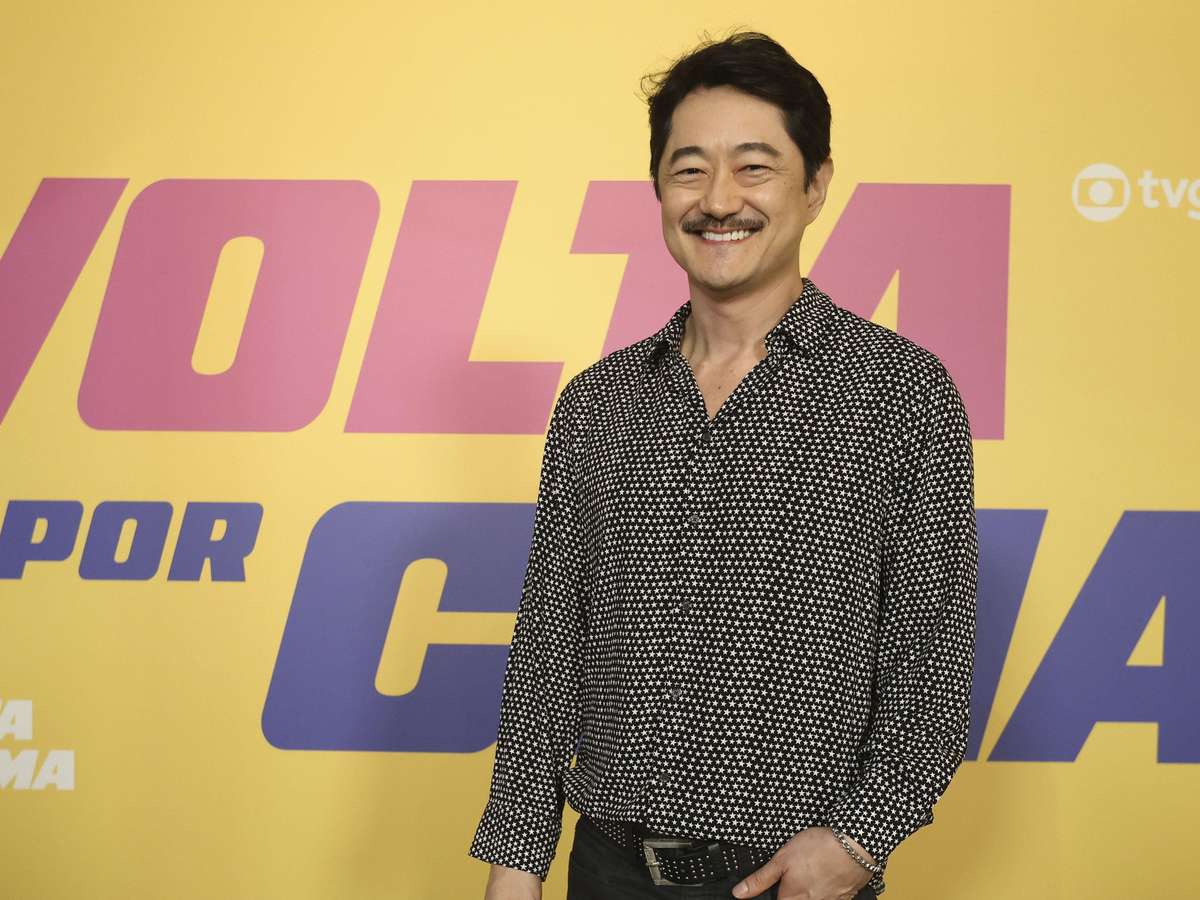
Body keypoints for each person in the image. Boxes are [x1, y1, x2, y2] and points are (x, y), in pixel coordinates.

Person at [469, 30, 977, 900]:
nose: (718, 200)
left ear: (815, 185)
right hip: (607, 870)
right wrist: (517, 862)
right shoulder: (599, 403)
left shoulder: (900, 392)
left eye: (754, 167)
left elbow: (932, 660)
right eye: (690, 169)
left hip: (793, 880)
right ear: (659, 188)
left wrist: (858, 843)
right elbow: (549, 649)